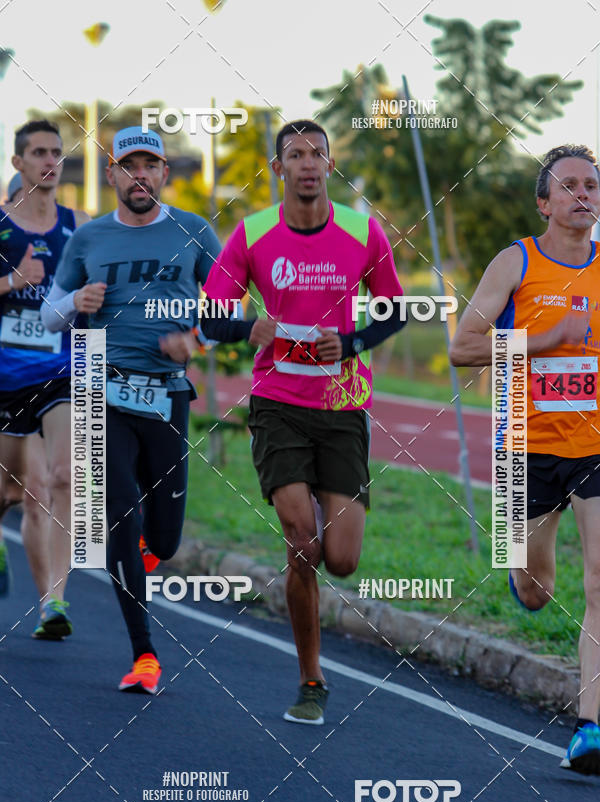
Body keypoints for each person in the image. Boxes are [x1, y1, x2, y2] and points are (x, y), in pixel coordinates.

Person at [161, 119, 405, 724]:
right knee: (302, 543)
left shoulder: (363, 231)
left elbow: (396, 310)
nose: (307, 163)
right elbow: (212, 318)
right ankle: (311, 680)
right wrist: (251, 327)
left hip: (343, 405)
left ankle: (324, 510)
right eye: (295, 154)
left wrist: (352, 342)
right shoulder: (253, 234)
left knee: (341, 558)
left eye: (317, 153)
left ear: (330, 166)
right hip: (277, 406)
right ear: (278, 169)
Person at [43, 126, 221, 693]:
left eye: (149, 165)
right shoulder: (89, 238)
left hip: (167, 391)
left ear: (164, 173)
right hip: (101, 385)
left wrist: (195, 339)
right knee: (120, 513)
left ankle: (143, 548)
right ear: (112, 175)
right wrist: (76, 301)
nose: (139, 175)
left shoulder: (194, 231)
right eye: (128, 166)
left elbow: (229, 304)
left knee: (163, 539)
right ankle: (144, 654)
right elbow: (49, 314)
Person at [450, 144, 600, 775]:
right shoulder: (516, 262)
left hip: (593, 446)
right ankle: (520, 575)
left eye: (591, 185)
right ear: (544, 203)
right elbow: (462, 347)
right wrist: (543, 340)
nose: (583, 194)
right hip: (522, 445)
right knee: (537, 592)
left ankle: (589, 728)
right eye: (569, 185)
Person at [0, 120, 89, 630]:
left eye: (56, 152)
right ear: (19, 163)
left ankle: (53, 603)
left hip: (61, 371)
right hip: (6, 375)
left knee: (53, 482)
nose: (50, 160)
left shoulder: (81, 227)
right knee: (10, 492)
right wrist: (14, 281)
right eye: (38, 152)